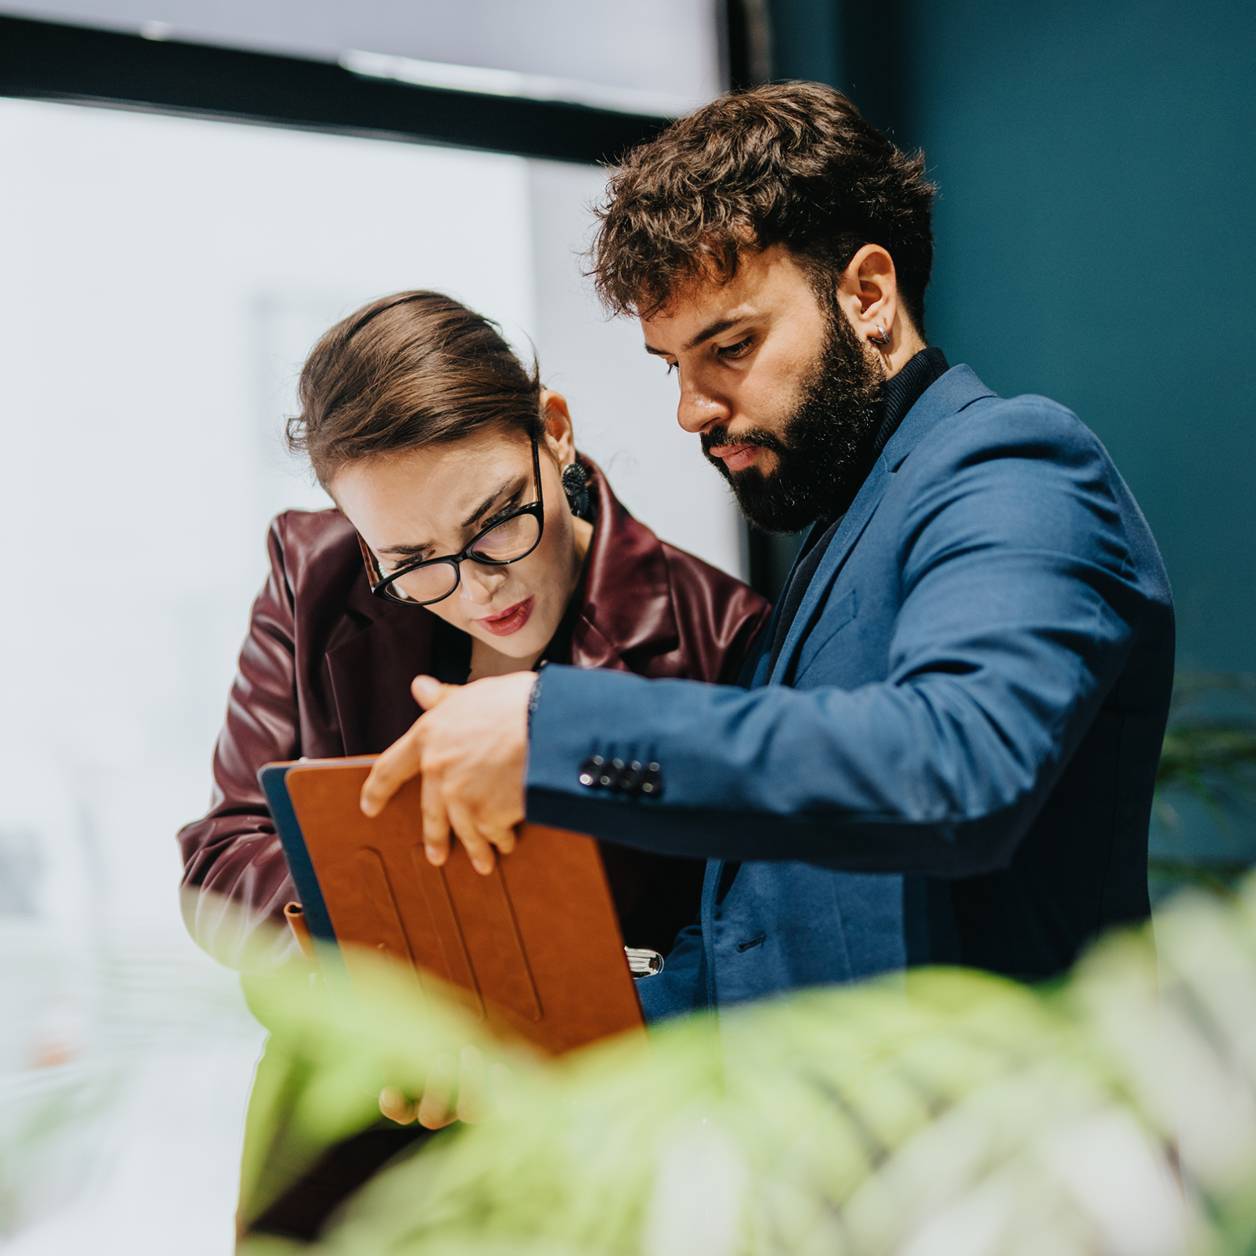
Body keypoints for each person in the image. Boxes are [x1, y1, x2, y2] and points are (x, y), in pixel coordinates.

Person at [359, 82, 1176, 1013]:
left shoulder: (1014, 460)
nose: (689, 410)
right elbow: (748, 944)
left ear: (868, 293)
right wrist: (519, 1037)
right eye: (676, 366)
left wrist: (553, 724)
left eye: (732, 347)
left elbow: (956, 768)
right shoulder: (839, 531)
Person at [177, 290, 770, 1238]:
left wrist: (511, 1023)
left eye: (496, 522)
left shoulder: (718, 638)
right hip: (343, 1146)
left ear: (557, 432)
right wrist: (364, 975)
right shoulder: (315, 571)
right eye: (412, 561)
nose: (477, 586)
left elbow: (733, 938)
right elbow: (223, 851)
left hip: (578, 1160)